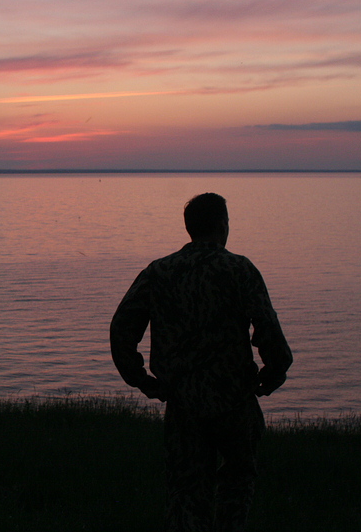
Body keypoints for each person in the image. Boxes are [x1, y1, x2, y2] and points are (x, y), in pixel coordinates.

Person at [110, 192, 292, 532]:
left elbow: (122, 329)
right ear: (223, 226)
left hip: (183, 404)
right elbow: (266, 325)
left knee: (187, 492)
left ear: (190, 228)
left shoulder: (160, 272)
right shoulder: (239, 269)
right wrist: (275, 370)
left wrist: (142, 380)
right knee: (237, 485)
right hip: (234, 400)